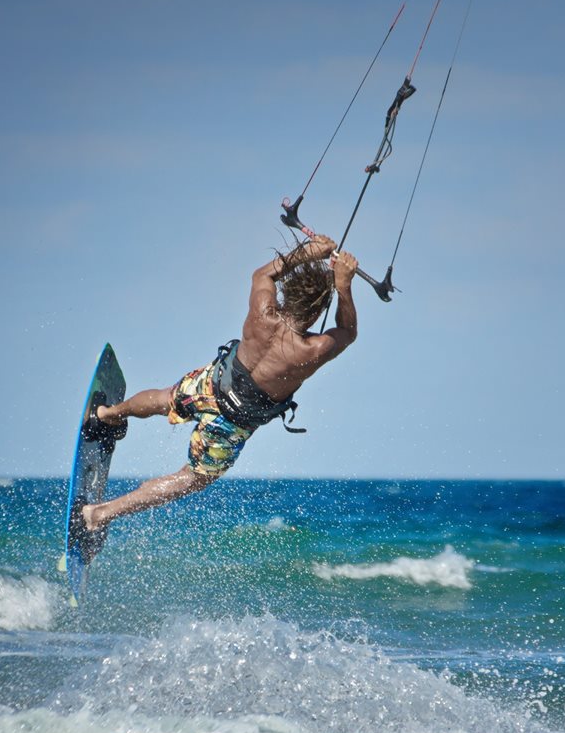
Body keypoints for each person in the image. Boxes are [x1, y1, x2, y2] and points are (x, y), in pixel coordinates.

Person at [71, 234, 358, 562]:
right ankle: (97, 515)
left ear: (287, 293)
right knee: (191, 478)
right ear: (320, 307)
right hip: (231, 423)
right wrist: (344, 285)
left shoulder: (263, 312)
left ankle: (107, 414)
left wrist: (305, 253)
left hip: (211, 385)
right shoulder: (312, 349)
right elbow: (347, 332)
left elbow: (262, 274)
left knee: (167, 397)